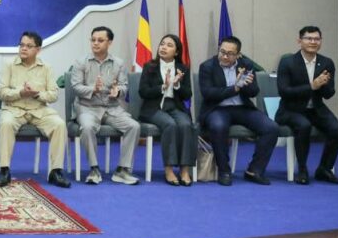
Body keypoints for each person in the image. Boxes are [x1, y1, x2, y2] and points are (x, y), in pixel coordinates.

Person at [198, 35, 279, 186]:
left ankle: (254, 170)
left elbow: (254, 92)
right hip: (217, 109)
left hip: (242, 108)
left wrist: (246, 85)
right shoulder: (207, 66)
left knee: (271, 128)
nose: (225, 56)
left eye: (230, 54)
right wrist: (235, 88)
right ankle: (224, 171)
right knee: (218, 126)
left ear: (238, 55)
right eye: (222, 52)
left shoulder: (245, 64)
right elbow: (208, 94)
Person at [0, 31, 70, 188]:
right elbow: (1, 92)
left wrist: (36, 94)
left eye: (29, 46)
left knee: (59, 124)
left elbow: (53, 95)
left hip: (39, 109)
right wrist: (20, 93)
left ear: (38, 50)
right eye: (21, 45)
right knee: (6, 123)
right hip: (14, 109)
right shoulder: (9, 65)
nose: (24, 48)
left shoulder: (46, 68)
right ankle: (4, 170)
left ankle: (56, 171)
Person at [70, 26, 141, 185]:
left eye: (100, 40)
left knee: (134, 126)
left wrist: (118, 91)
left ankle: (122, 170)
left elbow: (124, 86)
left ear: (109, 42)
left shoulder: (118, 63)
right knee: (87, 127)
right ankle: (94, 169)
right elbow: (75, 87)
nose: (95, 43)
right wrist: (93, 89)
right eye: (93, 40)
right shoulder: (81, 62)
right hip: (87, 107)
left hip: (111, 108)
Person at [276, 26, 338, 185]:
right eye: (309, 38)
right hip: (290, 109)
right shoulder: (288, 62)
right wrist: (312, 86)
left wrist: (324, 84)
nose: (313, 42)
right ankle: (302, 169)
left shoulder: (326, 62)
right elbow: (284, 92)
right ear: (299, 41)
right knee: (304, 125)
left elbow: (329, 94)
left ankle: (324, 169)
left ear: (321, 41)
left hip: (316, 108)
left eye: (317, 39)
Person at [138, 34, 196, 186]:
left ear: (176, 52)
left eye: (169, 45)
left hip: (174, 106)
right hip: (154, 107)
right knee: (170, 124)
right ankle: (169, 169)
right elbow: (143, 92)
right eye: (162, 44)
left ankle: (184, 170)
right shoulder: (149, 67)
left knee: (186, 125)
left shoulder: (182, 69)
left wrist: (177, 85)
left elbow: (187, 94)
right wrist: (162, 87)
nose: (163, 47)